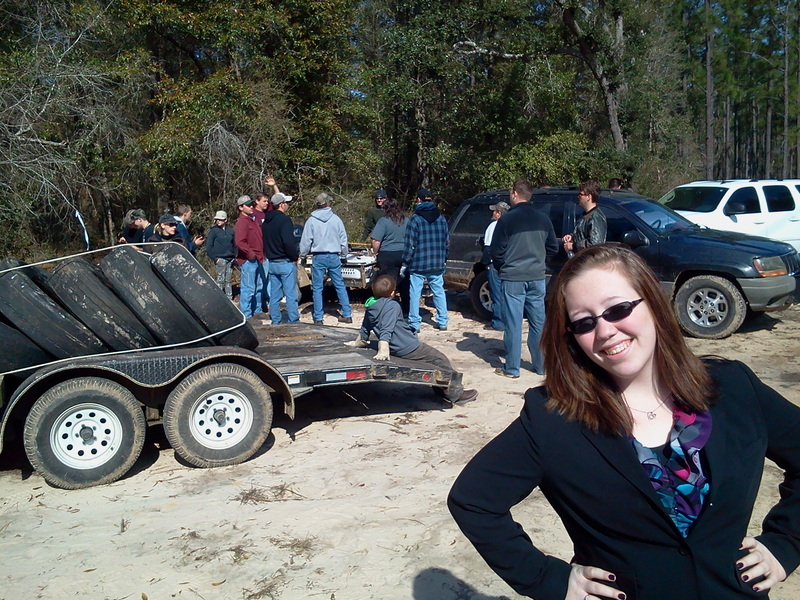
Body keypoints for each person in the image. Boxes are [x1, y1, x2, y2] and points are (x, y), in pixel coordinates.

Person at [449, 243, 800, 600]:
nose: (604, 331)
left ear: (653, 303)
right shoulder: (553, 418)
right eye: (584, 323)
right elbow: (473, 501)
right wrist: (548, 579)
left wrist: (787, 541)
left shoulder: (733, 387)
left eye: (618, 309)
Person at [346, 274, 478, 405]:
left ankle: (440, 388)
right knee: (440, 360)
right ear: (392, 293)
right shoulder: (392, 306)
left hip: (395, 348)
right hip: (408, 346)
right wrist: (383, 349)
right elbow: (387, 328)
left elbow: (365, 328)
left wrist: (358, 342)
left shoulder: (370, 307)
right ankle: (456, 394)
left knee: (433, 363)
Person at [490, 178, 558, 378]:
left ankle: (512, 368)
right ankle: (541, 365)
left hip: (513, 277)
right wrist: (539, 262)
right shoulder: (543, 219)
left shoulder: (507, 220)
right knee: (538, 322)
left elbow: (496, 251)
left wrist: (503, 267)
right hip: (537, 277)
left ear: (514, 194)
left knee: (513, 323)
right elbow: (553, 248)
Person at [299, 192, 352, 325]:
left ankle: (318, 317)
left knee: (317, 288)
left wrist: (303, 255)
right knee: (339, 285)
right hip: (334, 255)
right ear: (328, 203)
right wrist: (344, 254)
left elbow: (306, 240)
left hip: (318, 256)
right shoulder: (336, 219)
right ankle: (347, 314)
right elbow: (343, 239)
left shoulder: (311, 220)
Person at [402, 188, 449, 332]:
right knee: (439, 291)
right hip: (437, 262)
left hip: (419, 263)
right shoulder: (441, 219)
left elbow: (410, 244)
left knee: (415, 293)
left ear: (418, 200)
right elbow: (446, 242)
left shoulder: (415, 220)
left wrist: (405, 262)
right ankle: (443, 321)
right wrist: (444, 258)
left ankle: (414, 323)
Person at [262, 192, 300, 324]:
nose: (288, 205)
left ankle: (275, 320)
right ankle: (293, 320)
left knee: (274, 295)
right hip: (285, 261)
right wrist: (294, 256)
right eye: (286, 203)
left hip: (272, 262)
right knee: (291, 294)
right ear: (282, 205)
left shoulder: (266, 221)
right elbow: (288, 242)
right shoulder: (284, 220)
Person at [371, 197, 410, 316]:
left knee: (388, 284)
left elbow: (376, 241)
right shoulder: (406, 220)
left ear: (385, 209)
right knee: (405, 284)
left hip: (387, 256)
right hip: (404, 254)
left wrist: (375, 252)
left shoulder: (383, 221)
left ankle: (388, 310)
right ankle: (406, 311)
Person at [234, 195, 267, 318]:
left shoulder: (252, 220)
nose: (251, 207)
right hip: (248, 261)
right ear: (240, 207)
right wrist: (251, 254)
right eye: (248, 205)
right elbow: (239, 242)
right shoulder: (242, 222)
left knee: (259, 288)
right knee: (248, 289)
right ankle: (246, 315)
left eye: (252, 205)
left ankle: (257, 312)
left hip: (258, 259)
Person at [482, 201, 509, 331]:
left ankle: (498, 322)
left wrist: (487, 263)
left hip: (494, 264)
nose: (493, 213)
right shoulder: (511, 225)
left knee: (496, 293)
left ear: (499, 213)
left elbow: (488, 247)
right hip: (509, 264)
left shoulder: (493, 226)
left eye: (495, 211)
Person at [563, 180, 608, 257]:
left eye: (581, 194)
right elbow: (583, 234)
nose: (578, 196)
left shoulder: (596, 217)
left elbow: (595, 244)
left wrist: (573, 246)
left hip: (590, 261)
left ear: (589, 197)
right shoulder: (584, 215)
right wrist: (572, 237)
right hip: (581, 259)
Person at [205, 210, 237, 300]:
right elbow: (208, 246)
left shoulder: (230, 231)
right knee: (220, 280)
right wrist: (215, 258)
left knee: (228, 280)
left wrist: (235, 256)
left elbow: (235, 244)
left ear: (225, 220)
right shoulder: (213, 231)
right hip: (220, 259)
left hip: (230, 259)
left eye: (220, 219)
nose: (218, 221)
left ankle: (229, 298)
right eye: (217, 219)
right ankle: (218, 299)